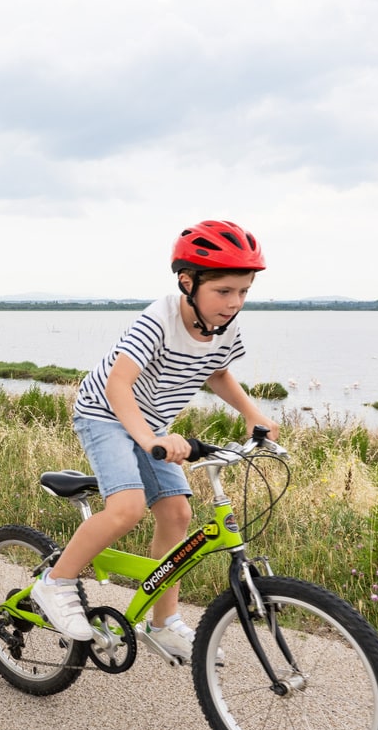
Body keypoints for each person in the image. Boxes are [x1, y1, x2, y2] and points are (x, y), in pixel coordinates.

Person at [29, 220, 280, 663]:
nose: (235, 302)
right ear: (188, 282)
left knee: (178, 513)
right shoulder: (158, 320)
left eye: (243, 291)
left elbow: (218, 372)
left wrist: (252, 413)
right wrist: (148, 439)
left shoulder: (225, 328)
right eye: (223, 291)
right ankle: (55, 584)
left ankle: (163, 623)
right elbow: (118, 384)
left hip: (153, 425)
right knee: (125, 508)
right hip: (104, 413)